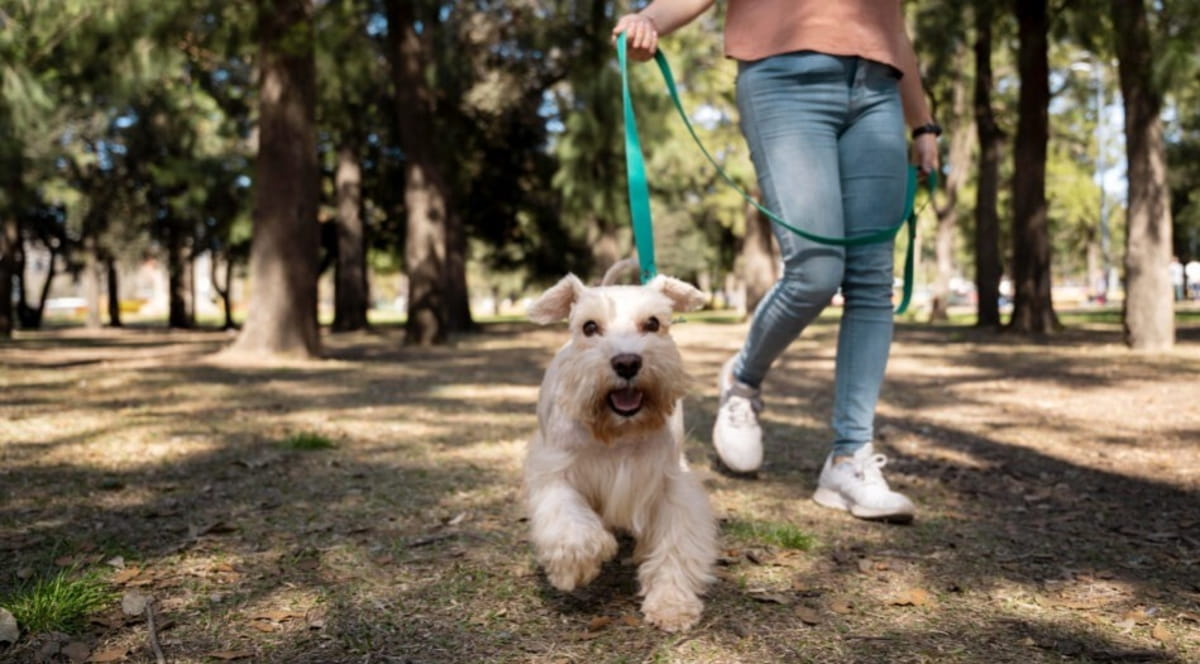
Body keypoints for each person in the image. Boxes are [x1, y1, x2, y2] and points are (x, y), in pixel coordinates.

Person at [614, 1, 939, 523]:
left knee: (872, 281)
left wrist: (922, 124)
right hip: (784, 77)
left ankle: (849, 458)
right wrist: (650, 18)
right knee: (815, 270)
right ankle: (743, 380)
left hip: (879, 87)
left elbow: (893, 23)